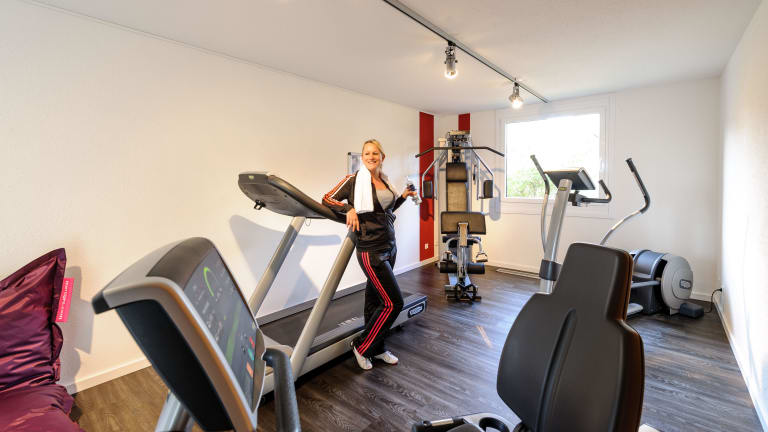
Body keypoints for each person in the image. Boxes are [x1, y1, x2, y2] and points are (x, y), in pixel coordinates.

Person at [322, 139, 417, 370]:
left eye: (375, 153)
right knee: (393, 303)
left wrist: (403, 196)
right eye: (367, 153)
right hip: (370, 250)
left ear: (382, 157)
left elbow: (386, 211)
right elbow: (327, 198)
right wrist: (348, 208)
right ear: (362, 157)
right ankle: (362, 346)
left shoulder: (384, 180)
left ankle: (378, 347)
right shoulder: (354, 180)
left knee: (375, 301)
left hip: (390, 245)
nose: (371, 157)